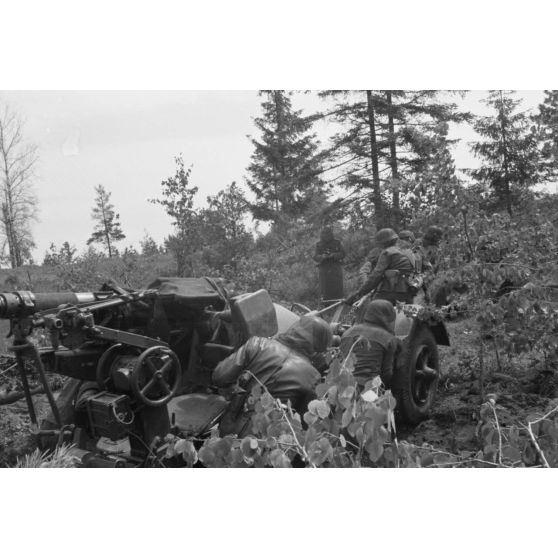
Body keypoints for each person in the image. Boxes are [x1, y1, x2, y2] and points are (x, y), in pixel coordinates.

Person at [212, 315, 332, 436]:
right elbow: (302, 425)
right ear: (319, 348)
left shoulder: (257, 343)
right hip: (266, 444)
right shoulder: (313, 377)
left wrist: (237, 390)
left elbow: (219, 376)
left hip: (227, 431)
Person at [345, 228, 415, 306]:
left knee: (373, 310)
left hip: (391, 291)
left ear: (383, 243)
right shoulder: (407, 252)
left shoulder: (387, 252)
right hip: (407, 291)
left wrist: (358, 294)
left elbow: (376, 275)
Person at [339, 300, 399, 389]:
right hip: (368, 388)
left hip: (341, 384)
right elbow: (386, 374)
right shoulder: (389, 339)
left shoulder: (348, 332)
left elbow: (339, 361)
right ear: (389, 318)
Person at [313, 227, 345, 302]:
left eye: (328, 233)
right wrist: (322, 256)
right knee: (325, 290)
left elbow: (343, 254)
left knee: (337, 289)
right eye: (324, 233)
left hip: (335, 269)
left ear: (331, 234)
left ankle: (337, 304)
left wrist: (333, 255)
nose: (326, 235)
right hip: (324, 270)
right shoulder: (319, 244)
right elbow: (315, 257)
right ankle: (326, 306)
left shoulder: (337, 243)